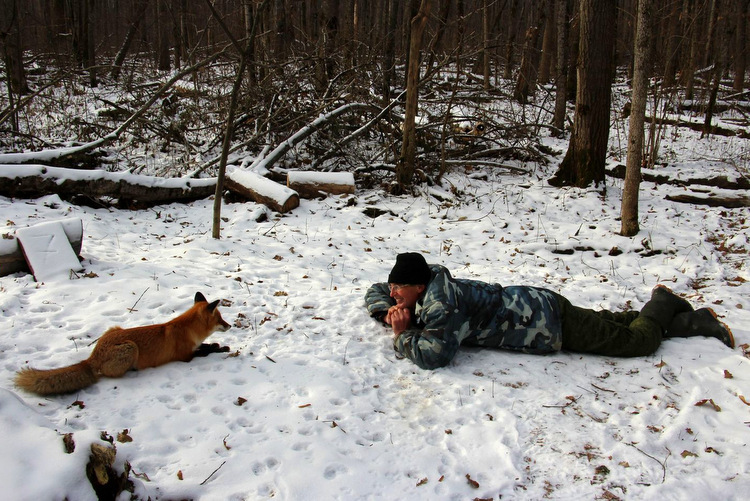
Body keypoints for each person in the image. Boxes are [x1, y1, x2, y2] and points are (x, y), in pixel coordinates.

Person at [364, 252, 734, 370]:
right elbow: (375, 290)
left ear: (419, 287)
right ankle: (696, 322)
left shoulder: (443, 305)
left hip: (545, 323)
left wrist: (402, 335)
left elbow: (435, 356)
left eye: (399, 289)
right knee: (616, 321)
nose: (392, 291)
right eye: (394, 287)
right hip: (540, 303)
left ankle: (664, 302)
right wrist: (388, 312)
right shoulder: (427, 284)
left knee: (635, 341)